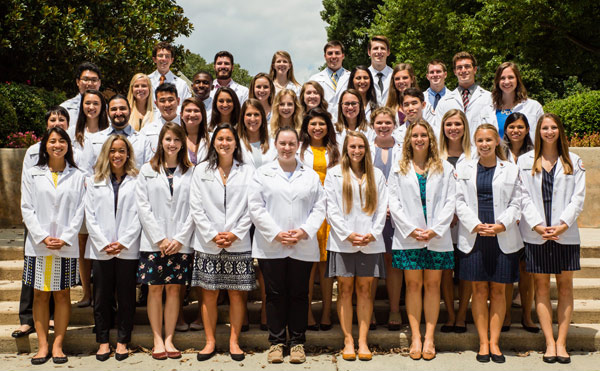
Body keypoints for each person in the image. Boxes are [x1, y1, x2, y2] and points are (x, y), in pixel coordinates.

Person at [248, 126, 326, 364]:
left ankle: (297, 343)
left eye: (292, 144)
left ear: (298, 146)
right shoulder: (263, 174)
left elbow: (320, 207)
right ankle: (276, 342)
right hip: (271, 245)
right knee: (274, 294)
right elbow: (255, 207)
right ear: (276, 145)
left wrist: (304, 231)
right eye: (283, 143)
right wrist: (276, 233)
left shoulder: (310, 175)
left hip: (302, 245)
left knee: (300, 294)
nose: (287, 148)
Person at [519, 113, 585, 364]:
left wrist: (561, 225)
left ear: (560, 130)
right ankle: (549, 343)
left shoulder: (574, 161)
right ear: (538, 132)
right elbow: (523, 196)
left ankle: (562, 342)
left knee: (565, 286)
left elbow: (578, 198)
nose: (549, 131)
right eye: (544, 128)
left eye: (553, 127)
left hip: (564, 235)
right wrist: (537, 225)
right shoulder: (526, 161)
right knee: (542, 288)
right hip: (537, 234)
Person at [389, 120, 456, 361]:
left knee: (432, 286)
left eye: (423, 135)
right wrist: (410, 229)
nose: (419, 139)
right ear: (408, 139)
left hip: (436, 237)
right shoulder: (399, 167)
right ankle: (415, 336)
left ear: (431, 139)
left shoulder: (445, 168)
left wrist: (436, 229)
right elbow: (393, 202)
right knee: (414, 285)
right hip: (410, 237)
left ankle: (429, 336)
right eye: (415, 135)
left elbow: (451, 201)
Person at [455, 124, 522, 363]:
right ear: (475, 143)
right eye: (480, 140)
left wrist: (501, 224)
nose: (484, 144)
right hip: (475, 236)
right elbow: (459, 201)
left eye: (488, 140)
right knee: (479, 291)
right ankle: (483, 342)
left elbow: (517, 202)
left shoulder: (511, 170)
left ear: (497, 142)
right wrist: (475, 224)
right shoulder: (464, 168)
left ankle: (495, 342)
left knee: (499, 291)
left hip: (502, 236)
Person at [190, 123, 256, 362]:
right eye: (220, 139)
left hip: (238, 242)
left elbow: (253, 205)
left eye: (229, 139)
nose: (224, 143)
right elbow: (195, 206)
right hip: (208, 242)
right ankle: (209, 342)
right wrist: (212, 234)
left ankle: (234, 341)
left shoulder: (248, 171)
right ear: (213, 142)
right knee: (208, 294)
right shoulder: (201, 171)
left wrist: (236, 233)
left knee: (237, 294)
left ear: (236, 143)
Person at [21, 127, 85, 365]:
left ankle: (58, 345)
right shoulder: (32, 173)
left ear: (68, 146)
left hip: (65, 245)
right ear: (44, 145)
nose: (57, 145)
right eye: (52, 141)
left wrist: (66, 237)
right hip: (39, 245)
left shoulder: (77, 176)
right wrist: (42, 236)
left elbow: (80, 210)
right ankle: (42, 346)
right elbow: (26, 207)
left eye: (62, 141)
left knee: (62, 294)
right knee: (39, 294)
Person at [325, 131, 388, 361]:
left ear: (366, 149)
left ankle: (362, 341)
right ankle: (348, 340)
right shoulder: (333, 175)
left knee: (364, 290)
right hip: (343, 242)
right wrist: (348, 234)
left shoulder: (377, 175)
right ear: (346, 149)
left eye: (361, 147)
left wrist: (372, 234)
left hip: (370, 242)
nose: (357, 151)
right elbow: (331, 208)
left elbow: (382, 208)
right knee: (345, 290)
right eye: (352, 147)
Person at [136, 123, 195, 360]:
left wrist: (180, 239)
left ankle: (169, 338)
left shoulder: (191, 171)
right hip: (154, 242)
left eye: (177, 140)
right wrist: (160, 238)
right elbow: (143, 207)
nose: (172, 144)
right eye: (168, 139)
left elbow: (195, 208)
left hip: (181, 242)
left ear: (182, 143)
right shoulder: (147, 170)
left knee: (173, 290)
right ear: (161, 141)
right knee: (154, 289)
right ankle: (157, 339)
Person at [13, 107, 72, 340]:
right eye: (52, 119)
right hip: (38, 220)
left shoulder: (70, 152)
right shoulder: (33, 152)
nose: (57, 122)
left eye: (62, 119)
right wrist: (38, 230)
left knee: (58, 281)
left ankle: (51, 320)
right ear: (46, 123)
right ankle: (28, 319)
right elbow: (28, 192)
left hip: (63, 224)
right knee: (34, 279)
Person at [84, 135, 140, 362]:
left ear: (128, 154)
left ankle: (123, 341)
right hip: (101, 248)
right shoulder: (94, 180)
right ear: (106, 153)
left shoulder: (137, 180)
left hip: (127, 247)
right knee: (101, 297)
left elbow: (140, 213)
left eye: (122, 151)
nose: (117, 155)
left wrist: (124, 241)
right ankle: (103, 341)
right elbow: (90, 214)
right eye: (113, 151)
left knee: (127, 296)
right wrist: (102, 241)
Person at [298, 108, 340, 332]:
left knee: (325, 267)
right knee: (307, 266)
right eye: (313, 124)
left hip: (329, 213)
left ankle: (325, 312)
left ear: (328, 127)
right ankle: (306, 313)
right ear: (306, 127)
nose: (317, 128)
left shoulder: (334, 150)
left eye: (321, 124)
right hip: (306, 212)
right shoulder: (300, 150)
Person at [73, 89, 110, 308]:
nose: (91, 107)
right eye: (88, 103)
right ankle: (87, 292)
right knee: (83, 243)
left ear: (102, 107)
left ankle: (106, 293)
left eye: (96, 103)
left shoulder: (108, 133)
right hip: (79, 194)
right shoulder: (74, 133)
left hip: (103, 194)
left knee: (104, 240)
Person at [500, 112, 537, 333]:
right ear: (505, 129)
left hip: (528, 220)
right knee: (505, 271)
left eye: (520, 127)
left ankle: (526, 315)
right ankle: (504, 315)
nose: (516, 130)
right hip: (505, 219)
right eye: (512, 127)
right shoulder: (498, 153)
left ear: (527, 129)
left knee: (526, 270)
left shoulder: (535, 154)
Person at [437, 109, 472, 334]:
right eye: (449, 124)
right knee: (445, 272)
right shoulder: (436, 155)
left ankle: (462, 315)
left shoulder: (474, 154)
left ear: (464, 127)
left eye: (457, 124)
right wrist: (448, 214)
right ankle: (450, 314)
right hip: (444, 223)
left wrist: (461, 212)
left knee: (466, 271)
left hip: (469, 223)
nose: (453, 128)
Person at [369, 106, 403, 331]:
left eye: (387, 123)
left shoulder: (403, 150)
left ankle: (394, 309)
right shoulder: (365, 149)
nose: (383, 127)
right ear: (373, 125)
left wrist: (392, 206)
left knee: (392, 262)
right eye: (379, 123)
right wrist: (380, 207)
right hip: (370, 212)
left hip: (396, 214)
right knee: (371, 262)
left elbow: (405, 181)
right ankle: (368, 309)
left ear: (394, 125)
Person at [84, 94, 153, 175]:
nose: (118, 113)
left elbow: (149, 170)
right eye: (114, 109)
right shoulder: (94, 140)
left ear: (130, 111)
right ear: (107, 112)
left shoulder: (143, 141)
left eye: (122, 108)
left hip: (135, 186)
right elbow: (86, 170)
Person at [435, 52, 497, 138]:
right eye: (459, 68)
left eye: (467, 66)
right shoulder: (444, 102)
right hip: (453, 150)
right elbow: (438, 132)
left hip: (480, 149)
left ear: (474, 70)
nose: (463, 70)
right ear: (455, 72)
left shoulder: (489, 99)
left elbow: (494, 129)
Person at [492, 62, 544, 140]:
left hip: (527, 152)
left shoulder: (534, 107)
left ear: (517, 79)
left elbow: (542, 136)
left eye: (511, 77)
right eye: (502, 78)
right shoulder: (489, 108)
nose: (506, 82)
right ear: (497, 81)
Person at [308, 41, 350, 119]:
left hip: (346, 123)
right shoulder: (315, 79)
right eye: (330, 53)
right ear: (325, 56)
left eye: (337, 53)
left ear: (343, 56)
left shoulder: (351, 77)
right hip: (323, 123)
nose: (333, 56)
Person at [148, 41, 191, 112]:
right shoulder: (146, 81)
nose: (164, 59)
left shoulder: (181, 84)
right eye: (160, 56)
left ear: (171, 60)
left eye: (167, 56)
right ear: (154, 59)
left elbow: (186, 108)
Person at [141, 83, 181, 154]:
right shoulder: (147, 130)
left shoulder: (187, 127)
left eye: (170, 100)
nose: (167, 104)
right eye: (162, 101)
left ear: (178, 101)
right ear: (156, 104)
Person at [60, 62, 102, 128]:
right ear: (77, 82)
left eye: (94, 80)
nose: (90, 83)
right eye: (85, 79)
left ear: (99, 83)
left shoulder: (107, 109)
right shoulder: (65, 108)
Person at [238, 99, 276, 168]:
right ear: (242, 117)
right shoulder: (236, 144)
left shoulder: (274, 143)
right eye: (249, 115)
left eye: (256, 114)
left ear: (262, 117)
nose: (252, 119)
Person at [180, 97, 210, 165]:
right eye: (188, 111)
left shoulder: (212, 138)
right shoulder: (176, 138)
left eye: (196, 111)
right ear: (181, 115)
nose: (192, 114)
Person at [367, 36, 393, 106]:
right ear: (369, 52)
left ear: (388, 52)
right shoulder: (363, 76)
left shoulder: (395, 75)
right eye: (375, 48)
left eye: (383, 48)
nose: (379, 52)